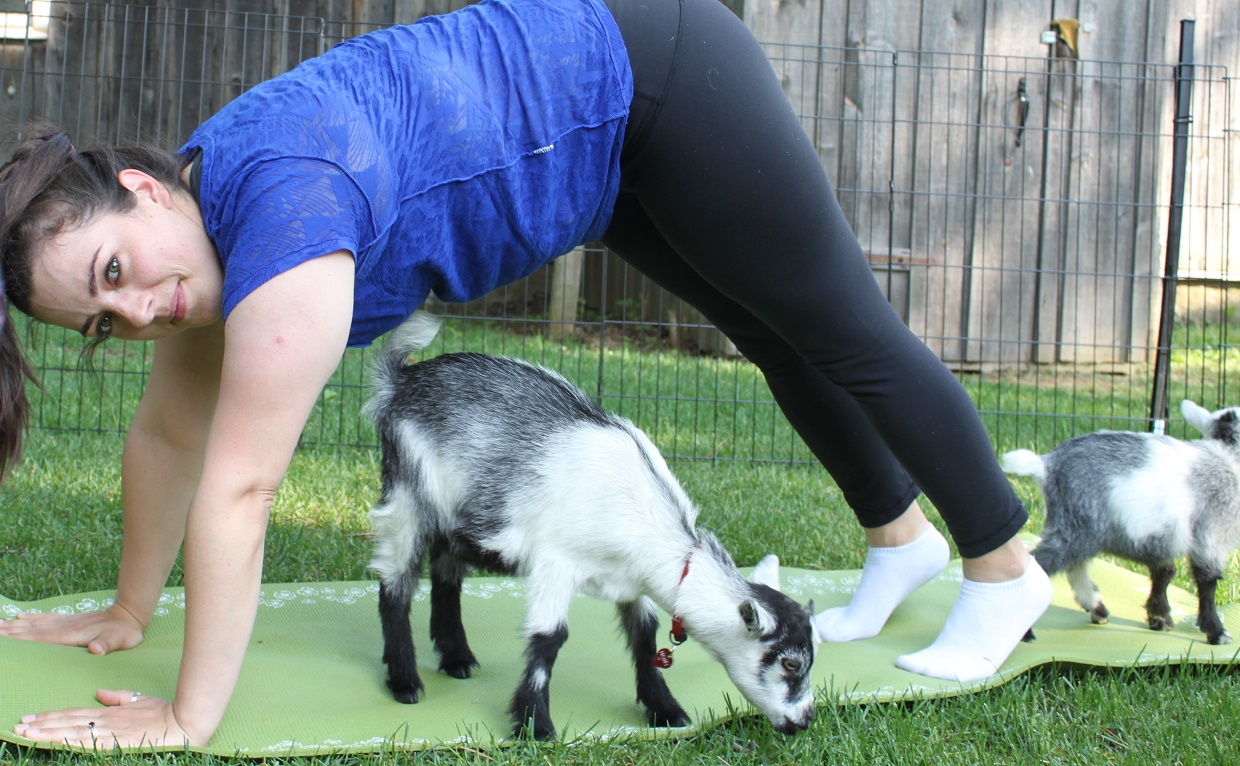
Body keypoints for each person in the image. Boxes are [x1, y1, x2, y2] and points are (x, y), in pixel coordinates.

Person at [0, 0, 1052, 748]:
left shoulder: (282, 219)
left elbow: (237, 486)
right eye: (101, 320)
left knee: (842, 327)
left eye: (114, 272)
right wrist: (130, 611)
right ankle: (898, 544)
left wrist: (188, 719)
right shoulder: (202, 229)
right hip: (601, 155)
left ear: (141, 188)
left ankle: (1004, 571)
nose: (138, 311)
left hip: (659, 79)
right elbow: (169, 435)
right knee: (775, 333)